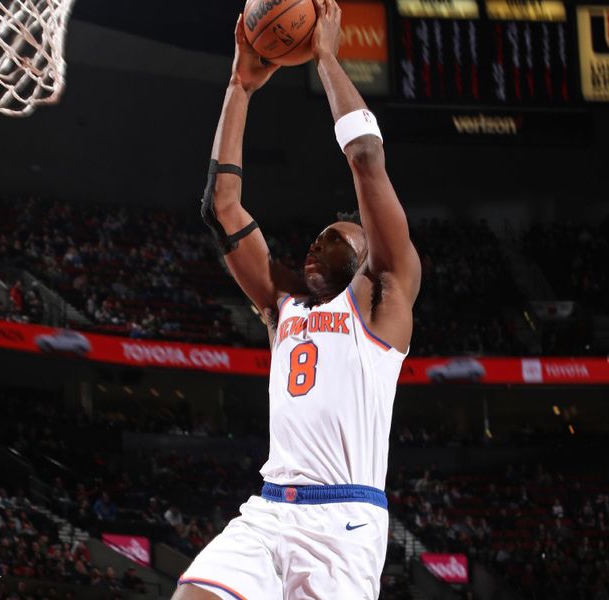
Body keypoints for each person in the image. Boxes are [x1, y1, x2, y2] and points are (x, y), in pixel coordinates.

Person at [174, 0, 420, 598]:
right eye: (316, 240)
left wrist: (327, 57)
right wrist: (239, 86)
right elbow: (221, 208)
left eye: (338, 240)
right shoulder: (281, 306)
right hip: (267, 511)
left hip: (344, 523)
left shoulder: (385, 297)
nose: (318, 246)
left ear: (367, 260)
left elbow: (365, 160)